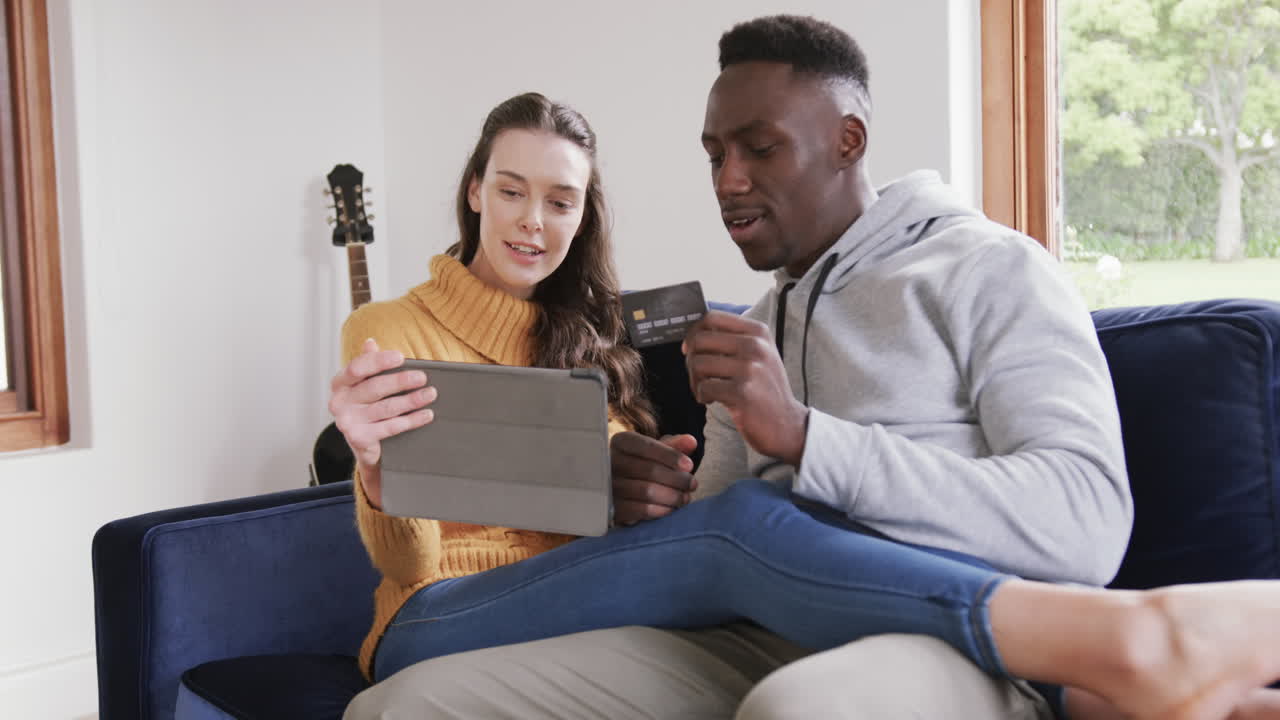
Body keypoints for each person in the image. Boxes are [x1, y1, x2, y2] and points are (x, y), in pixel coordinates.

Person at [335, 25, 1280, 720]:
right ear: (475, 191)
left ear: (848, 141)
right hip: (740, 629)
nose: (728, 181)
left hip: (939, 645)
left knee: (800, 700)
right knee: (398, 709)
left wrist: (807, 439)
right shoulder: (757, 323)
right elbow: (712, 542)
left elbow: (1084, 523)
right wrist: (656, 500)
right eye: (714, 154)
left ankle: (1119, 652)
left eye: (760, 147)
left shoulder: (992, 268)